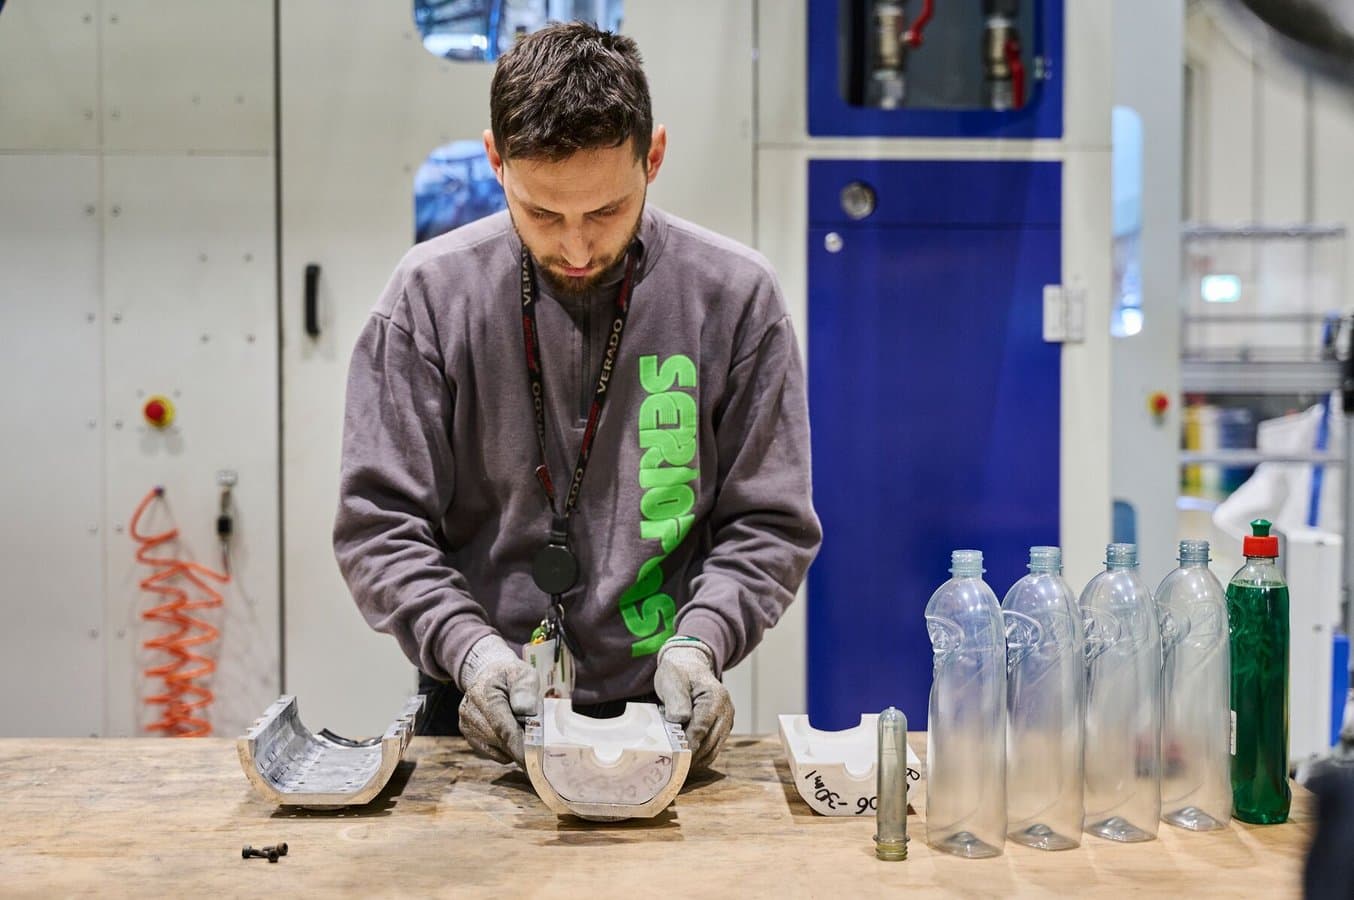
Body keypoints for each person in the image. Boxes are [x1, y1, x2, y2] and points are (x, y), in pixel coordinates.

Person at [333, 22, 820, 772]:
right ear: (495, 161)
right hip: (477, 708)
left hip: (668, 708)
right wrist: (471, 654)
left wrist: (702, 643)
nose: (578, 248)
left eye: (605, 211)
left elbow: (768, 523)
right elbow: (379, 526)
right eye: (542, 215)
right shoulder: (429, 299)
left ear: (652, 156)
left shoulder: (735, 299)